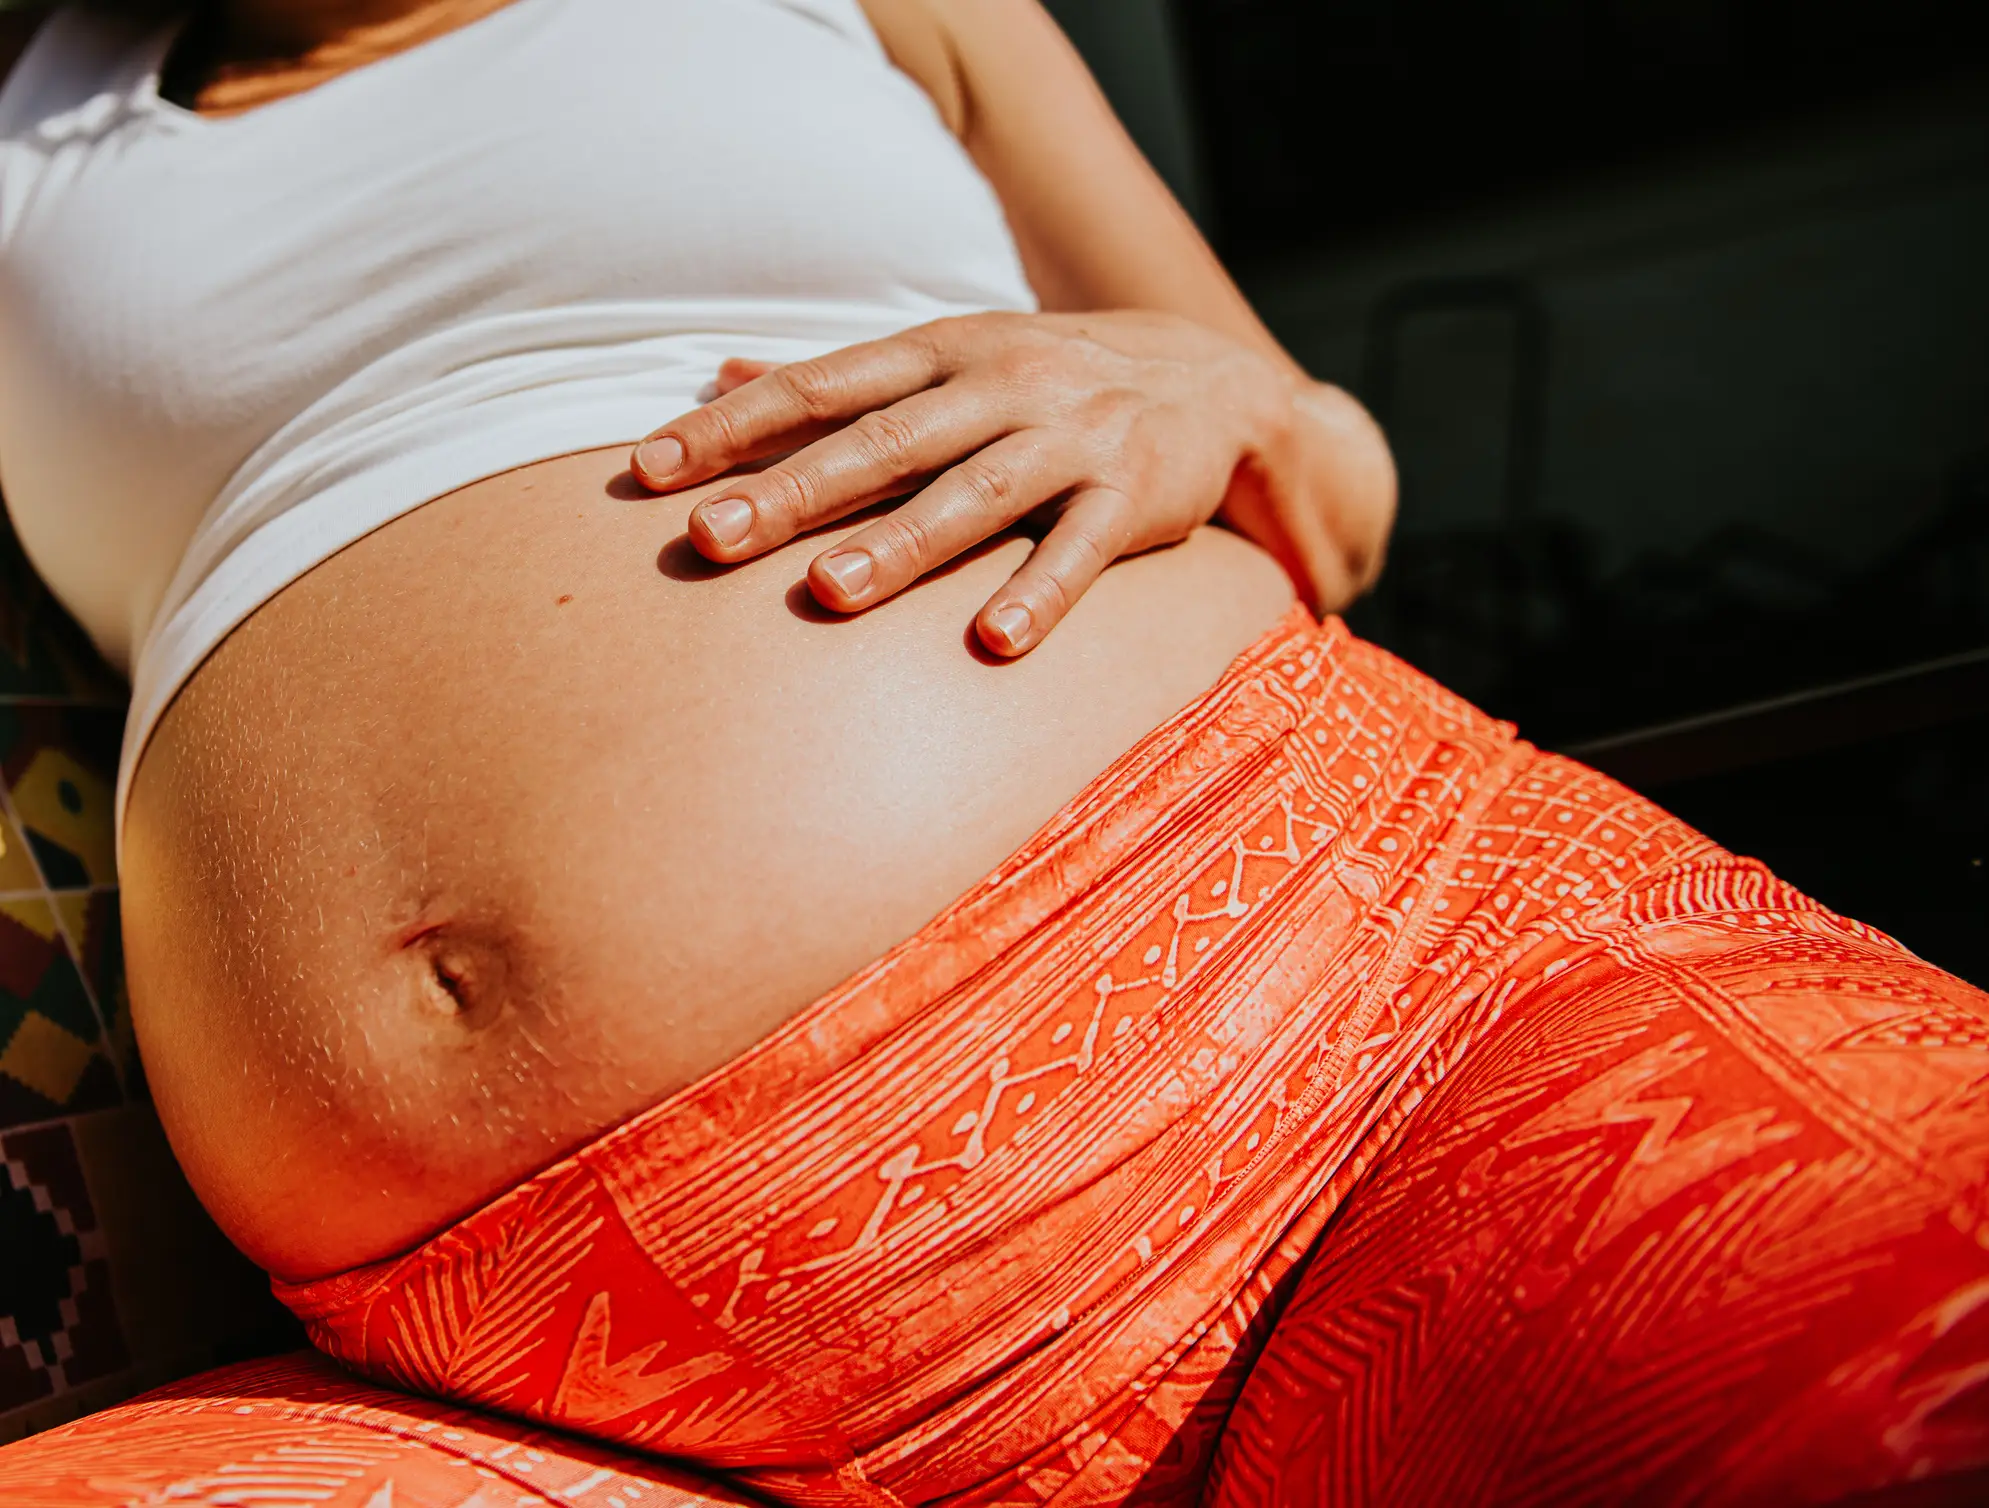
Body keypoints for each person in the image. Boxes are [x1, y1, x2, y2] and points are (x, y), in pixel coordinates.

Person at [0, 2, 1984, 1503]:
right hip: (518, 1387)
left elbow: (1337, 478)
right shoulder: (30, 139)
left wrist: (1208, 381)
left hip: (1354, 1060)